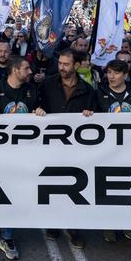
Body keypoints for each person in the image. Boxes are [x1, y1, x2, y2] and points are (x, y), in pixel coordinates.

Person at [37, 49, 95, 249]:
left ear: (77, 66)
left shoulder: (88, 91)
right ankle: (53, 223)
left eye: (66, 64)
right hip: (51, 145)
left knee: (73, 188)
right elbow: (37, 104)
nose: (61, 67)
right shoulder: (47, 84)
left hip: (75, 149)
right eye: (60, 63)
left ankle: (73, 228)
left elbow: (97, 117)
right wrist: (38, 110)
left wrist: (90, 114)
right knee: (52, 185)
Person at [96, 59, 131, 243]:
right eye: (109, 73)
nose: (111, 76)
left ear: (125, 75)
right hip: (106, 151)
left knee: (129, 187)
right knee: (108, 187)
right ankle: (108, 225)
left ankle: (127, 222)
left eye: (116, 73)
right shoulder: (99, 93)